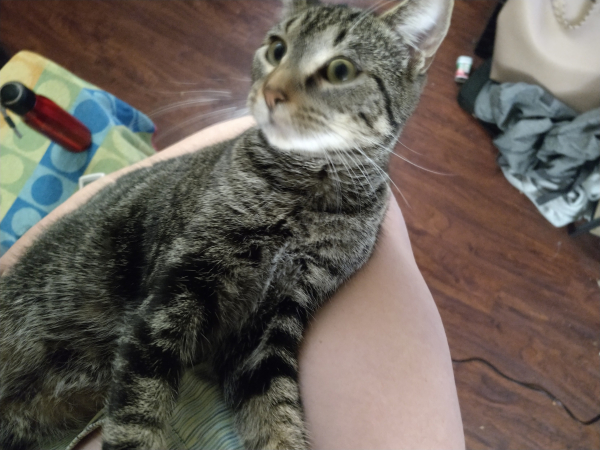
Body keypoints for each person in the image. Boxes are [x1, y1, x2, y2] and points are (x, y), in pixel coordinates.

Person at [0, 117, 465, 450]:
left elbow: (262, 345)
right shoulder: (253, 160)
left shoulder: (360, 214)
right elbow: (167, 319)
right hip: (43, 335)